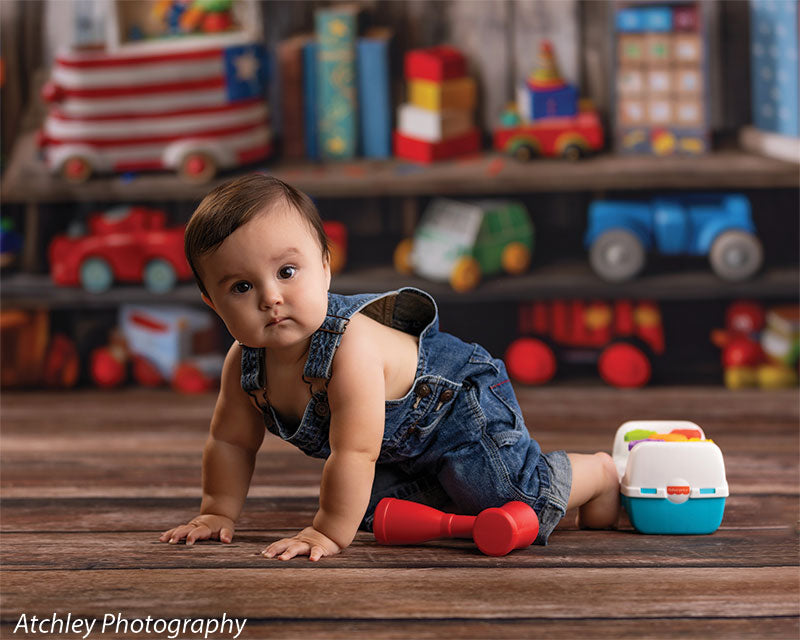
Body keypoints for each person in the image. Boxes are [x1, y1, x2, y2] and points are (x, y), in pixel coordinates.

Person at [160, 174, 619, 561]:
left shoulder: (348, 349)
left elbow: (355, 452)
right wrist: (217, 510)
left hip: (456, 405)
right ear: (212, 303)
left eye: (286, 272)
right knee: (371, 509)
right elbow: (230, 441)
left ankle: (595, 474)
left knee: (508, 498)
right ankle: (451, 490)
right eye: (241, 286)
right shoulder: (244, 364)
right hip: (402, 448)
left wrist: (327, 532)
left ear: (325, 267)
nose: (270, 298)